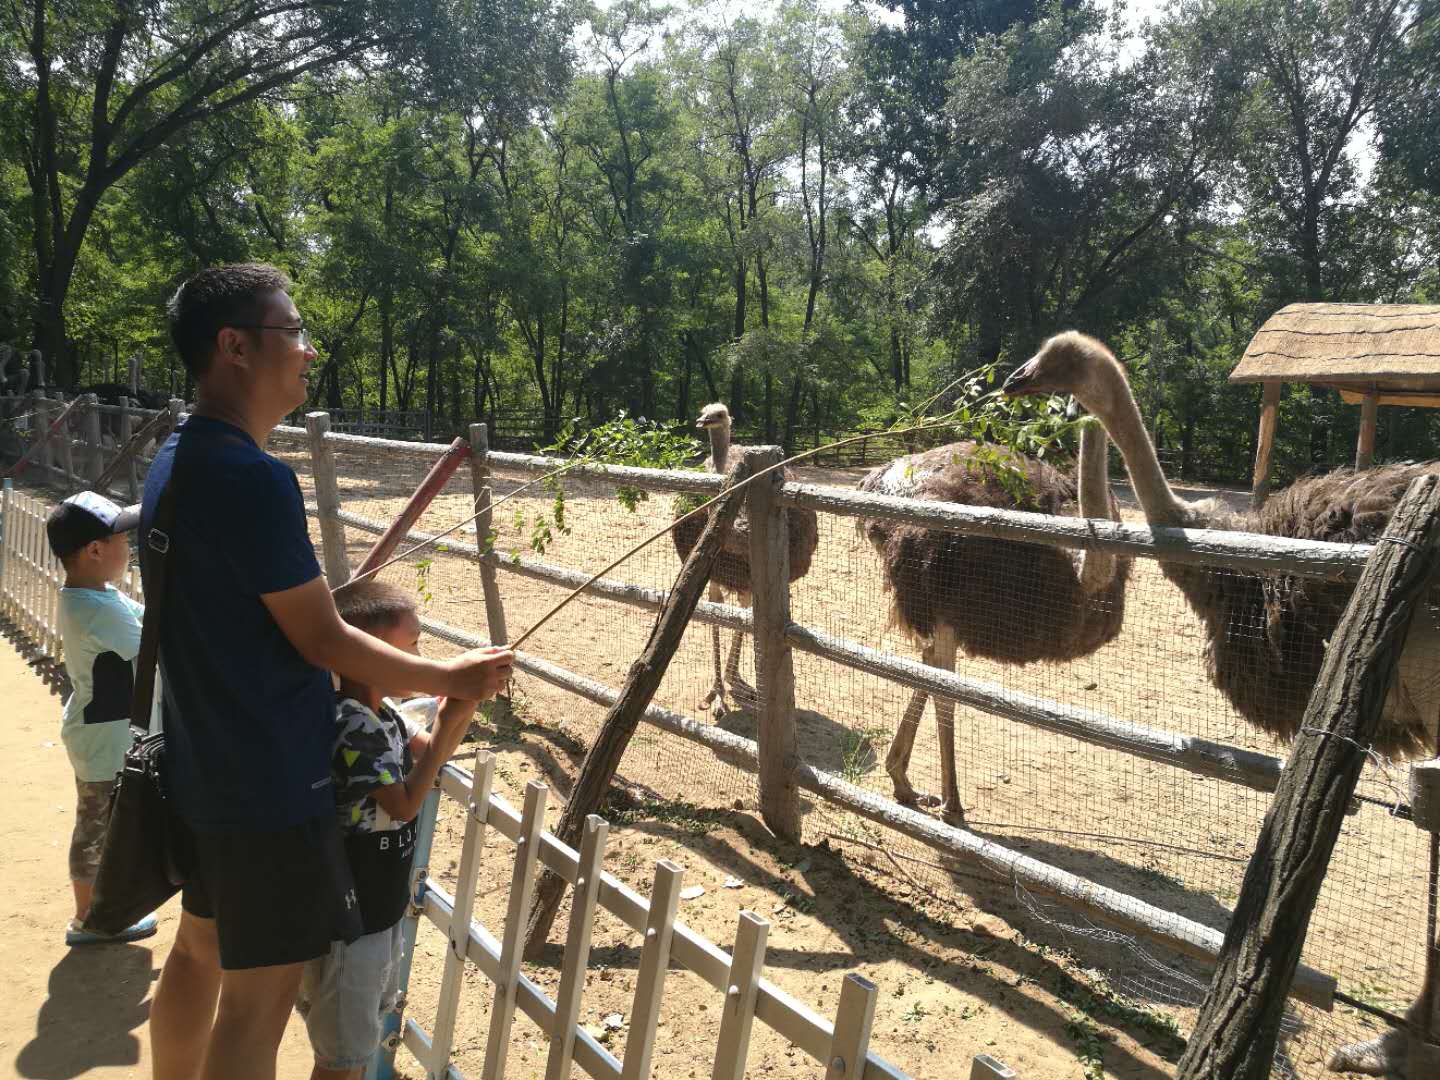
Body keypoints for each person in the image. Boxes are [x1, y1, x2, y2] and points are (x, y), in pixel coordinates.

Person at [144, 263, 513, 1080]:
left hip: (201, 763)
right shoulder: (253, 476)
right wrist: (449, 678)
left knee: (199, 953)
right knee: (255, 1006)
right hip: (267, 785)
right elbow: (323, 638)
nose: (308, 351)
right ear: (234, 346)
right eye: (294, 332)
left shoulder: (176, 459)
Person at [298, 579, 473, 1080]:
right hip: (349, 923)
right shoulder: (353, 723)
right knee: (342, 1063)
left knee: (351, 1051)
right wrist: (446, 730)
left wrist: (459, 708)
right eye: (411, 647)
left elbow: (429, 748)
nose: (420, 658)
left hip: (376, 909)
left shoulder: (383, 713)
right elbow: (403, 804)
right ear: (370, 656)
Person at [46, 490, 159, 946]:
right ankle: (88, 919)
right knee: (95, 829)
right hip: (100, 739)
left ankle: (98, 912)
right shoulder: (93, 610)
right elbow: (155, 642)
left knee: (105, 825)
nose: (129, 549)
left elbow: (150, 620)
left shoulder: (97, 596)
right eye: (123, 540)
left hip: (105, 734)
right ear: (95, 550)